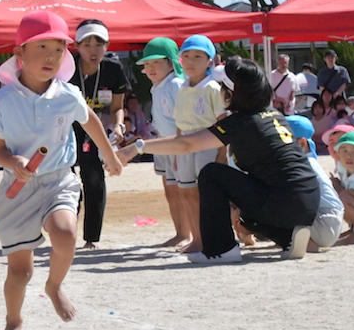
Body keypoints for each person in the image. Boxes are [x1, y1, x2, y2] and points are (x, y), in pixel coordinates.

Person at [0, 10, 121, 330]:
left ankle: (54, 285)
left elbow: (90, 120)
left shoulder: (67, 94)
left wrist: (109, 154)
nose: (51, 56)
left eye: (59, 49)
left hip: (59, 180)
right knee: (20, 272)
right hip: (17, 189)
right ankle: (13, 320)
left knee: (65, 233)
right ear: (19, 53)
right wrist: (13, 161)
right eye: (42, 47)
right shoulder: (3, 100)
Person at [118, 57, 320, 263]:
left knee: (211, 173)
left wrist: (138, 147)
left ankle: (221, 249)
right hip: (309, 199)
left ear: (232, 92)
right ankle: (288, 237)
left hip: (282, 201)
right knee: (245, 210)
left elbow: (187, 144)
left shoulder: (241, 122)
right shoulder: (275, 115)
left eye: (222, 86)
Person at [68, 19, 128, 249]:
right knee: (66, 180)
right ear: (77, 46)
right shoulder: (67, 68)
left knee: (94, 178)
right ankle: (66, 232)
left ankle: (91, 238)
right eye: (86, 45)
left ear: (107, 45)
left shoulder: (113, 69)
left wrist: (119, 125)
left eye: (99, 44)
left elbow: (116, 107)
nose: (93, 51)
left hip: (95, 129)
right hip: (65, 129)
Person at [171, 34, 226, 254]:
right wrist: (176, 151)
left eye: (197, 56)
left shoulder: (213, 88)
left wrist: (222, 152)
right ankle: (197, 237)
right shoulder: (182, 87)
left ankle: (210, 237)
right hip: (185, 143)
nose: (191, 61)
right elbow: (179, 122)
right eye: (186, 56)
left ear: (210, 61)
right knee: (186, 192)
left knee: (206, 194)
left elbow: (223, 123)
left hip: (207, 142)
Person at [136, 37, 188, 247]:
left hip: (177, 145)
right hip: (163, 144)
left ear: (171, 63)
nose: (150, 68)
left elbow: (182, 119)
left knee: (184, 191)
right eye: (147, 63)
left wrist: (178, 148)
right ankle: (180, 232)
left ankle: (187, 233)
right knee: (171, 190)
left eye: (156, 62)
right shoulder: (157, 86)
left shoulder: (175, 84)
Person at [284, 115, 344, 252]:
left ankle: (307, 243)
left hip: (323, 222)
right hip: (330, 221)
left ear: (301, 143)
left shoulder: (302, 165)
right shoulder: (310, 162)